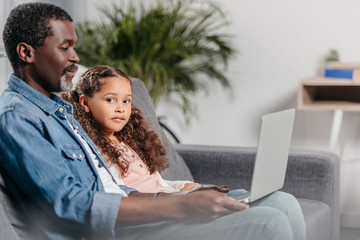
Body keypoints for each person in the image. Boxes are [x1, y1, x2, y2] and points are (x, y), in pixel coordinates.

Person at [0, 2, 306, 240]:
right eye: (65, 47)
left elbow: (111, 187)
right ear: (26, 53)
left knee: (282, 202)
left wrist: (177, 195)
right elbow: (70, 204)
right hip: (110, 233)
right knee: (270, 220)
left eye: (74, 46)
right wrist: (180, 206)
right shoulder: (17, 118)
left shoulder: (58, 108)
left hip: (135, 219)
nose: (76, 56)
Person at [63, 65, 199, 194]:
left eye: (126, 101)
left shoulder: (129, 140)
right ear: (85, 103)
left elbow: (155, 184)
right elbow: (120, 194)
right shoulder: (93, 149)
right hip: (149, 208)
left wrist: (182, 186)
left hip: (165, 199)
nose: (120, 108)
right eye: (110, 100)